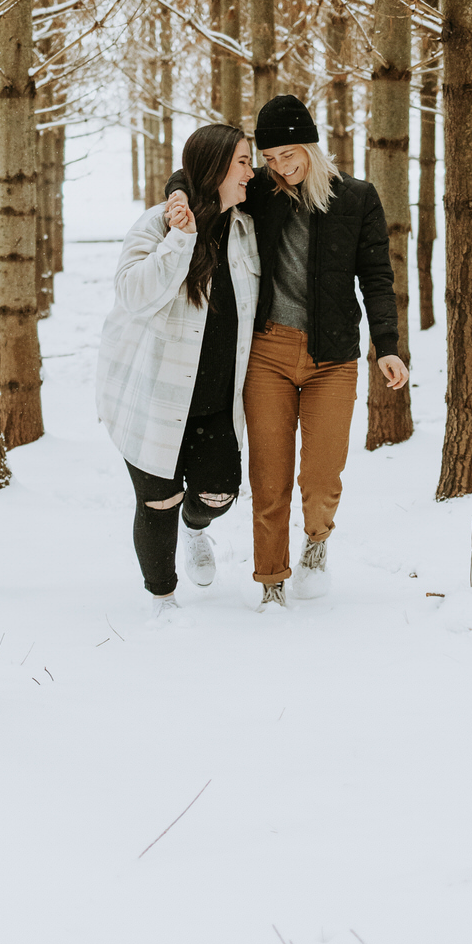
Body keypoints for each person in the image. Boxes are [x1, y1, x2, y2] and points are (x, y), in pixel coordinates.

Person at [166, 94, 408, 610]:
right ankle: (271, 581)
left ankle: (316, 545)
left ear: (310, 145)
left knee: (321, 477)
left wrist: (386, 346)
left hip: (334, 359)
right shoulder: (262, 194)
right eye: (268, 158)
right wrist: (176, 195)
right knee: (268, 476)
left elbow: (378, 279)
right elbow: (199, 173)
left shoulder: (358, 198)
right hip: (269, 353)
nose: (277, 167)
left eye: (287, 154)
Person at [96, 124, 260, 621]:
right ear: (215, 170)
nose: (252, 172)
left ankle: (197, 528)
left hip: (215, 402)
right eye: (243, 163)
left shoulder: (248, 228)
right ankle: (162, 600)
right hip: (152, 397)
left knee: (218, 495)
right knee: (158, 502)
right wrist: (179, 240)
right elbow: (134, 294)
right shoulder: (155, 224)